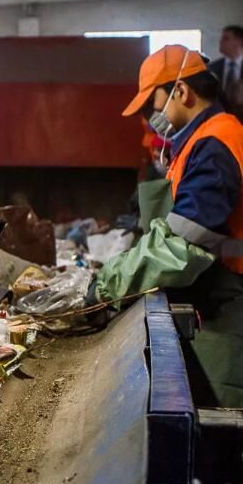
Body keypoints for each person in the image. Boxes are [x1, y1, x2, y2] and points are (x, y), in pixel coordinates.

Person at [92, 44, 243, 405]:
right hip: (216, 290)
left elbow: (183, 245)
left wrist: (108, 285)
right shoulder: (199, 141)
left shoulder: (215, 144)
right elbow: (173, 230)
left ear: (180, 91)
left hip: (232, 299)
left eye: (151, 105)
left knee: (223, 420)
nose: (150, 116)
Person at [210, 25, 243, 121]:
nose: (220, 42)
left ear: (239, 41)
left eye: (226, 38)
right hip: (220, 120)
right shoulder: (212, 68)